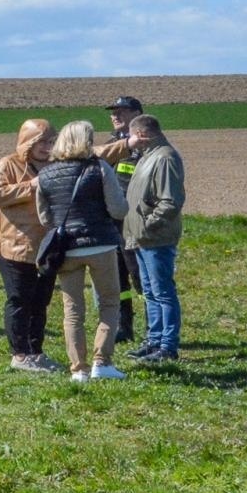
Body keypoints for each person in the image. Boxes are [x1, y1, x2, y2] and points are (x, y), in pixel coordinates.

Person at [35, 120, 128, 382]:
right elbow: (118, 209)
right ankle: (103, 362)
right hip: (101, 244)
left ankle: (79, 369)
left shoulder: (45, 174)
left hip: (67, 249)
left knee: (73, 310)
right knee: (110, 302)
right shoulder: (99, 168)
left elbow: (45, 218)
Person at [0, 119, 62, 372]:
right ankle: (19, 355)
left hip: (46, 245)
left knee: (41, 302)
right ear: (28, 142)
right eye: (41, 142)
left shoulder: (55, 166)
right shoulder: (8, 164)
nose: (46, 147)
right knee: (20, 300)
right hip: (13, 245)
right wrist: (29, 186)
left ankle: (36, 352)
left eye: (51, 142)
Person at [122, 114, 185, 363]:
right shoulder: (148, 157)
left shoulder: (165, 158)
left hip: (155, 238)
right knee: (150, 292)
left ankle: (168, 346)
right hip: (140, 238)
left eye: (132, 135)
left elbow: (170, 201)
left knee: (162, 292)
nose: (129, 140)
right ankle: (153, 340)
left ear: (143, 134)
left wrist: (148, 225)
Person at [96, 95, 145, 342]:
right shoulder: (109, 146)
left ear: (137, 114)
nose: (115, 115)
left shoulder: (147, 147)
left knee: (141, 277)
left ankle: (153, 329)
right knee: (117, 280)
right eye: (113, 111)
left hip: (135, 224)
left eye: (122, 111)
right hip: (111, 224)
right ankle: (124, 327)